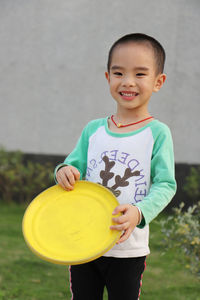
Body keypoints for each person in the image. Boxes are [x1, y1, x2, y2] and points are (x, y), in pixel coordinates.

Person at [54, 33, 176, 300]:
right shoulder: (93, 130)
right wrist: (63, 172)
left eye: (140, 74)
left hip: (127, 249)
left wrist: (139, 212)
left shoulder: (157, 133)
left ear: (158, 82)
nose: (128, 82)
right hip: (85, 241)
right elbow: (71, 168)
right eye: (119, 72)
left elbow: (166, 184)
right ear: (108, 78)